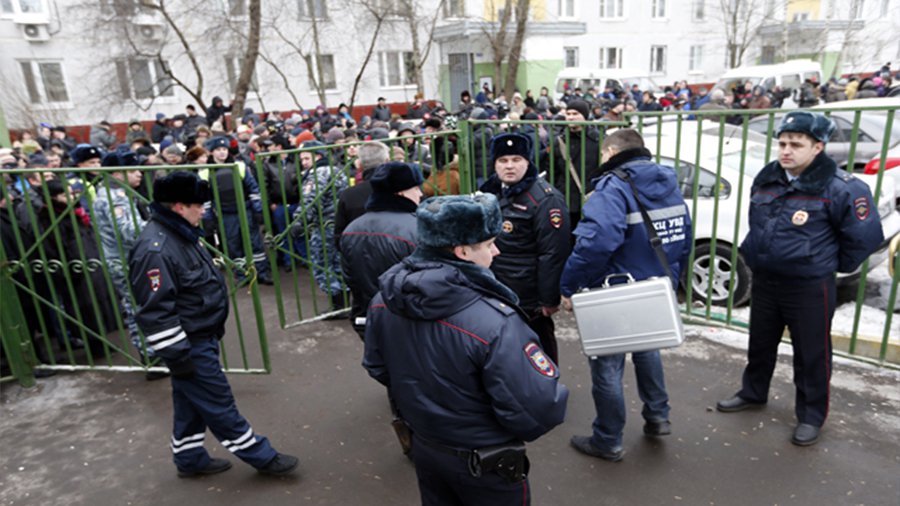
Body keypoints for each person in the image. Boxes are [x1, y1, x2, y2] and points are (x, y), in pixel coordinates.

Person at [363, 193, 568, 505]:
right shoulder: (495, 322)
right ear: (461, 251)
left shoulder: (384, 300)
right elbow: (539, 406)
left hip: (427, 447)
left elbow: (378, 367)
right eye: (487, 244)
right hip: (484, 459)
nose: (496, 251)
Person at [716, 111, 884, 446]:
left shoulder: (841, 188)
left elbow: (864, 237)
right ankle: (753, 392)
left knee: (811, 354)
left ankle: (810, 415)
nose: (786, 150)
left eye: (796, 144)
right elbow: (758, 224)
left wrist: (823, 262)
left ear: (817, 147)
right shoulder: (767, 180)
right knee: (760, 344)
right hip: (766, 280)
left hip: (809, 286)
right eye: (782, 143)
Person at [128, 171, 298, 477]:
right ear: (179, 206)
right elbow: (156, 311)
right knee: (218, 401)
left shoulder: (179, 232)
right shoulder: (156, 249)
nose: (204, 209)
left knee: (190, 401)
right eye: (198, 204)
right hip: (188, 344)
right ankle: (261, 456)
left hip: (199, 337)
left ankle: (189, 458)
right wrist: (179, 356)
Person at [560, 129, 692, 462]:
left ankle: (607, 439)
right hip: (653, 285)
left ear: (610, 152)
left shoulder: (613, 186)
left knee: (606, 365)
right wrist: (669, 277)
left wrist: (569, 285)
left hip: (616, 289)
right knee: (647, 349)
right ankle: (658, 416)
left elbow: (594, 244)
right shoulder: (667, 181)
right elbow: (683, 235)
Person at [479, 133, 570, 364]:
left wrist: (548, 299)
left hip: (528, 294)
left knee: (539, 347)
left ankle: (548, 389)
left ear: (528, 161)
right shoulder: (489, 192)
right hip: (496, 285)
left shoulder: (545, 199)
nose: (509, 166)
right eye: (503, 160)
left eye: (516, 159)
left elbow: (553, 253)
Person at [340, 161, 422, 339]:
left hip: (368, 316)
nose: (420, 194)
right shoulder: (417, 229)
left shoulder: (352, 228)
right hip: (408, 321)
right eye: (416, 188)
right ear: (401, 193)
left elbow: (350, 277)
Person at [198, 136, 273, 285]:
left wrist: (258, 210)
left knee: (255, 243)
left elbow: (253, 189)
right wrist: (208, 219)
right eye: (218, 150)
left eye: (224, 149)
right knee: (233, 245)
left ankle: (261, 273)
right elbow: (205, 199)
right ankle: (241, 274)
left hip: (246, 211)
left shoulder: (240, 166)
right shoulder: (205, 172)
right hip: (226, 215)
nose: (222, 153)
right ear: (212, 152)